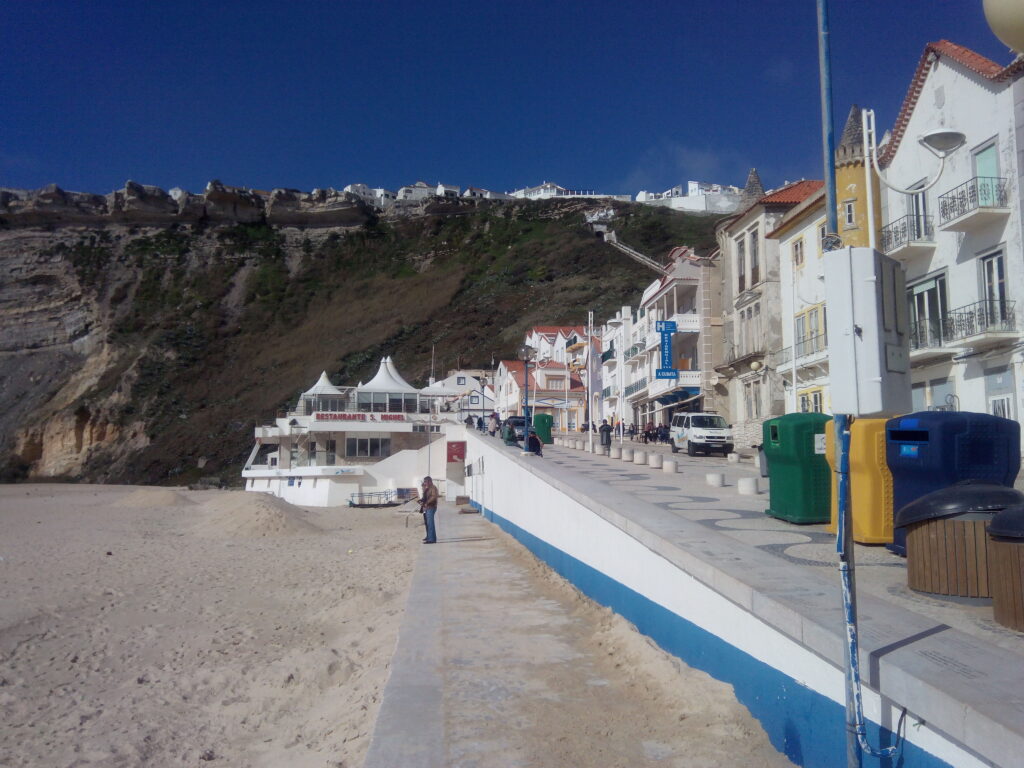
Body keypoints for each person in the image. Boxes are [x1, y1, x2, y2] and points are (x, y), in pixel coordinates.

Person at [419, 476, 439, 544]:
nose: (425, 483)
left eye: (426, 481)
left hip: (431, 507)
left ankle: (431, 539)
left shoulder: (433, 488)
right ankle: (429, 537)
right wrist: (422, 501)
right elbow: (426, 497)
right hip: (427, 507)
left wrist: (427, 502)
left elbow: (434, 497)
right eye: (424, 482)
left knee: (430, 524)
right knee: (428, 523)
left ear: (429, 481)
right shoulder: (428, 488)